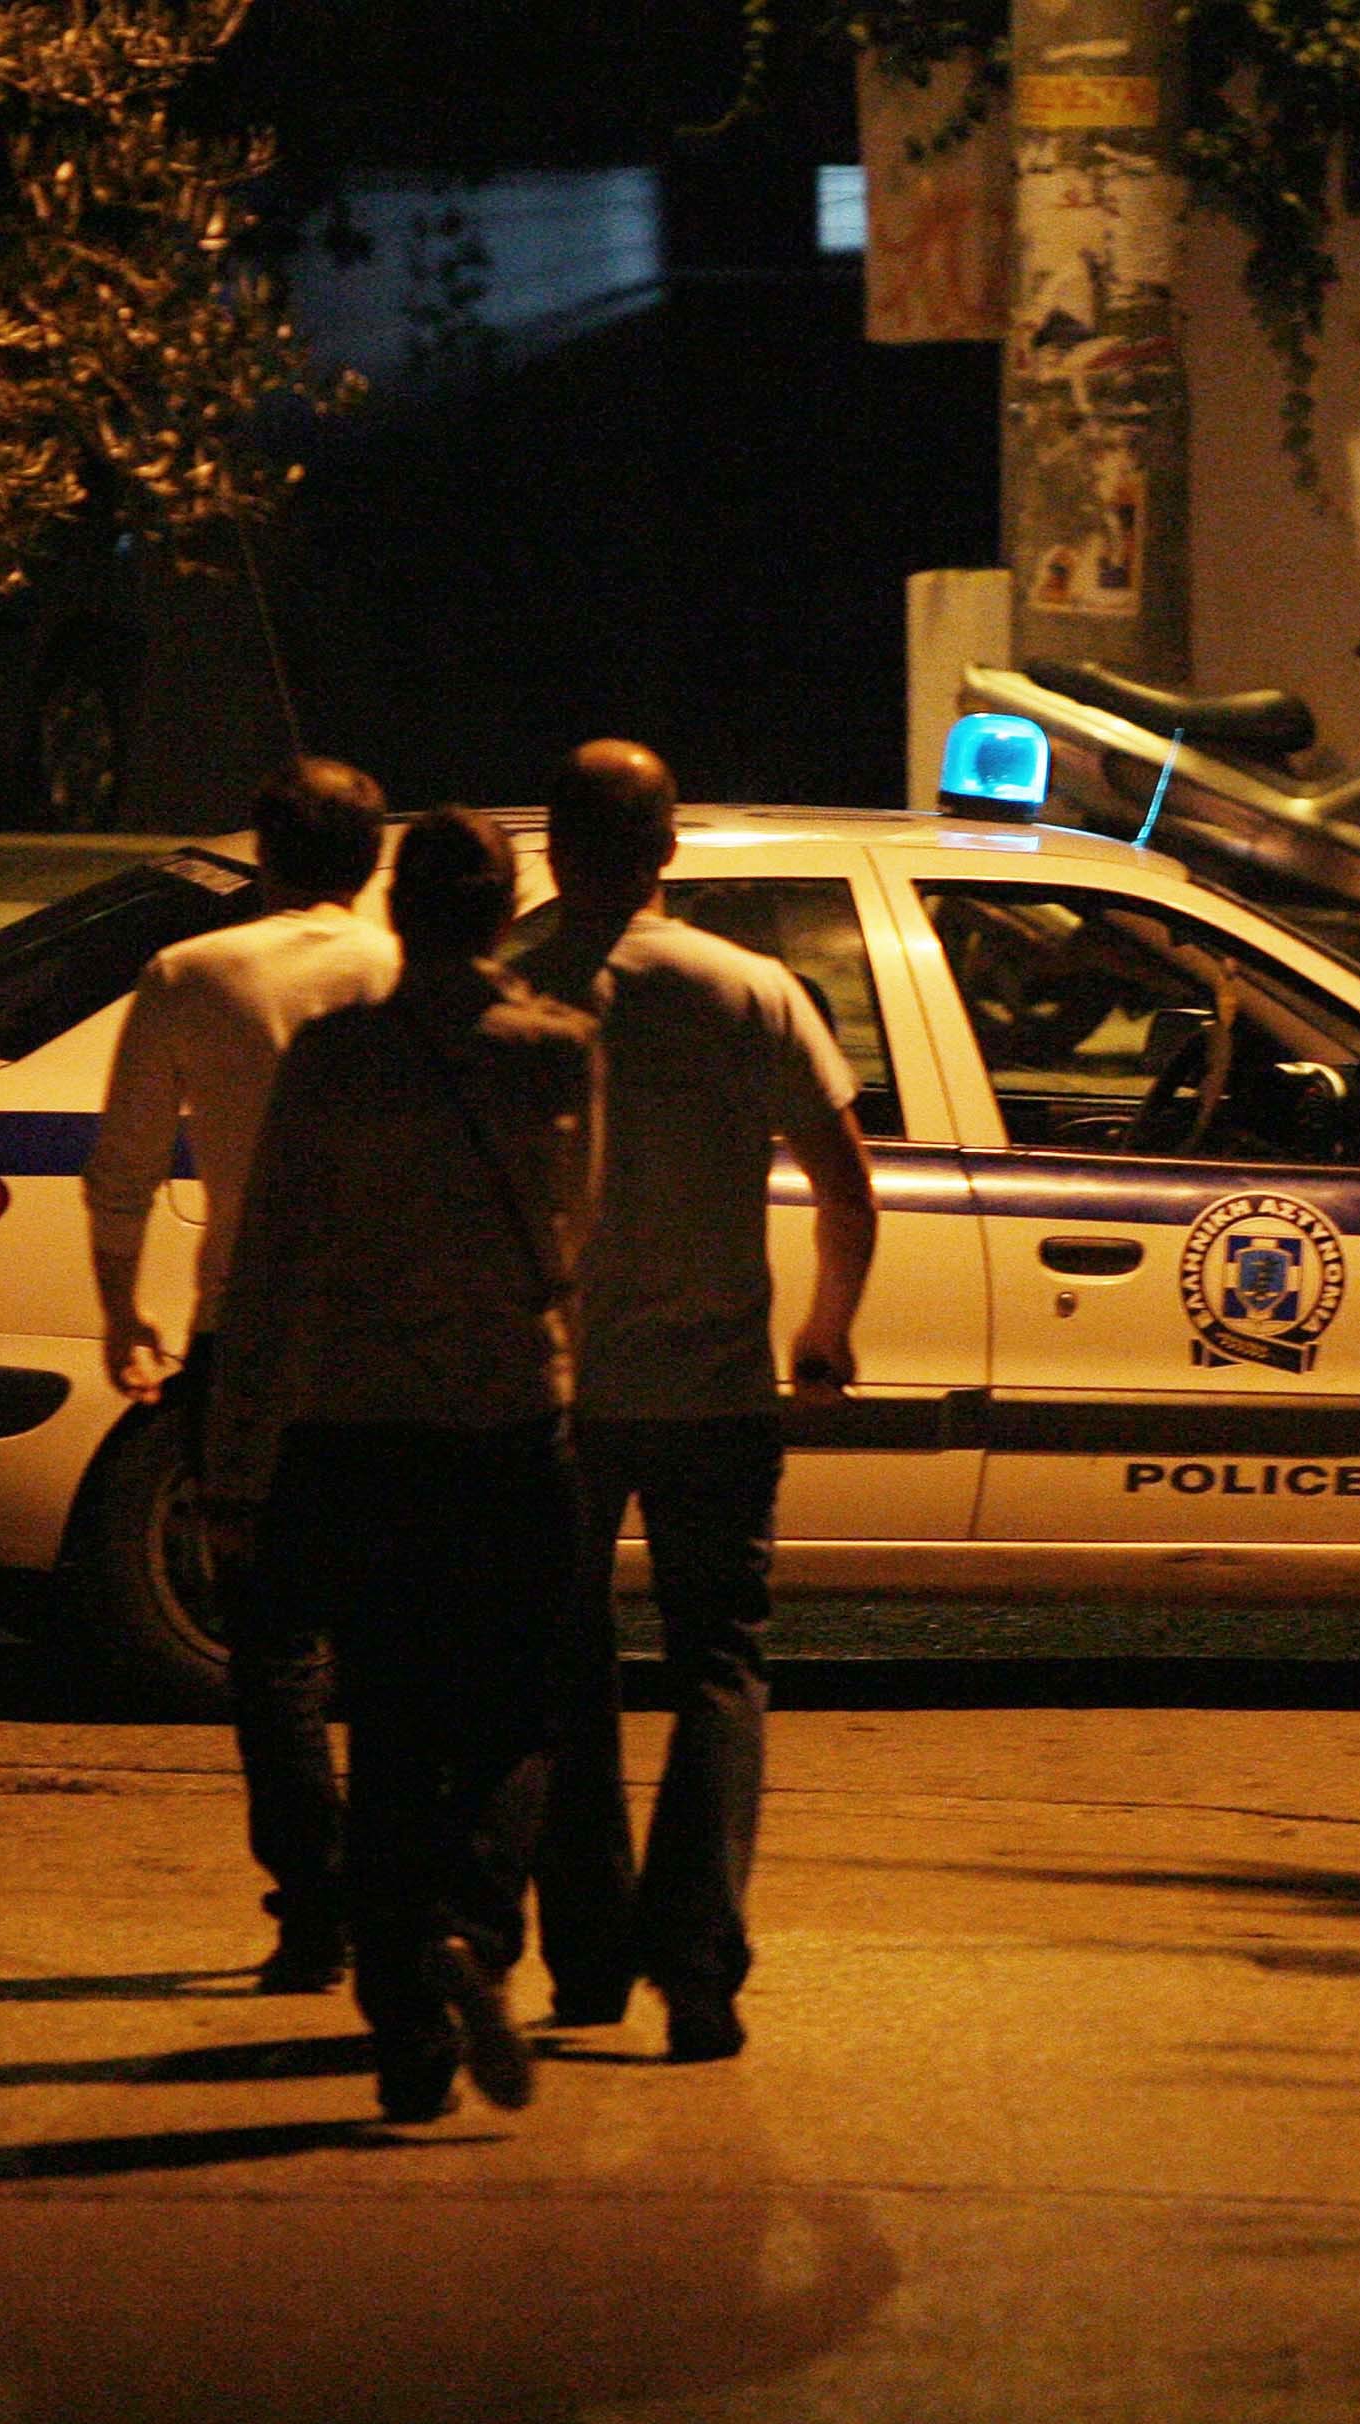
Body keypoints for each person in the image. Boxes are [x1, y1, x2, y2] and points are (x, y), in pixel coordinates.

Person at [205, 809, 600, 2123]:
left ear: (399, 909)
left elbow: (269, 1258)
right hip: (506, 1421)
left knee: (384, 1724)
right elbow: (577, 1241)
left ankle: (404, 2020)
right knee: (513, 1712)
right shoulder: (557, 1050)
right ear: (502, 912)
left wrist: (237, 1458)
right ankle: (471, 1929)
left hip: (354, 1424)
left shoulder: (334, 1055)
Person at [518, 739, 877, 2063]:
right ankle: (698, 1966)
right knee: (718, 1666)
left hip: (549, 1391)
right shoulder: (747, 989)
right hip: (714, 1386)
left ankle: (584, 1963)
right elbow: (845, 1187)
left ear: (554, 848)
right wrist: (824, 1331)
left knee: (558, 1667)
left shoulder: (503, 982)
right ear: (667, 849)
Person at [81, 756, 397, 1994]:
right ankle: (398, 1893)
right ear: (370, 860)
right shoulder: (407, 971)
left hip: (249, 1341)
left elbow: (121, 1169)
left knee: (274, 1638)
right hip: (395, 1345)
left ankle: (311, 1908)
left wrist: (125, 1312)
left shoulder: (192, 976)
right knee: (393, 1637)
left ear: (265, 856)